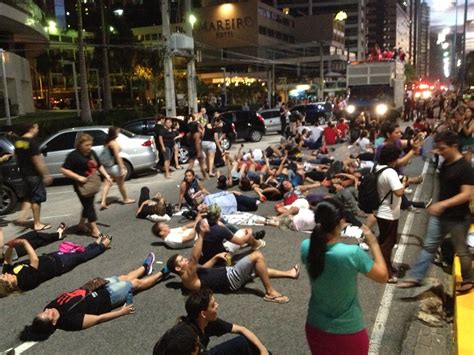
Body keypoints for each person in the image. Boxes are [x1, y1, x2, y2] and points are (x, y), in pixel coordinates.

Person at [300, 198, 388, 355]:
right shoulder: (351, 253)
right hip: (347, 331)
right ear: (341, 222)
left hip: (315, 326)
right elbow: (383, 276)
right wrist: (373, 243)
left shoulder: (306, 247)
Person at [19, 254, 165, 341]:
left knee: (123, 277)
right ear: (54, 322)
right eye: (48, 314)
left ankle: (146, 268)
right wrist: (121, 312)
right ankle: (162, 274)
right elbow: (98, 319)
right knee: (134, 284)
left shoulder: (49, 308)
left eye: (43, 312)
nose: (47, 310)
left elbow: (71, 295)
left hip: (92, 286)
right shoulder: (70, 322)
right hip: (108, 297)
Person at [398, 131, 474, 293]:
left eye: (443, 148)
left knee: (461, 251)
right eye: (438, 148)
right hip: (440, 216)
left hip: (458, 219)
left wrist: (443, 204)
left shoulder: (465, 168)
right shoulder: (446, 163)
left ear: (454, 146)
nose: (440, 152)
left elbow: (467, 194)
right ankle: (416, 277)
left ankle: (469, 278)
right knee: (428, 247)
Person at [167, 218, 299, 303]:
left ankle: (289, 274)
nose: (186, 260)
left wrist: (215, 257)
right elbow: (195, 258)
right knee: (256, 255)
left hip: (229, 274)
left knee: (258, 268)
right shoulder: (186, 277)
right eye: (182, 260)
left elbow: (204, 268)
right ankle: (270, 292)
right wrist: (201, 234)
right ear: (178, 268)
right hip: (231, 278)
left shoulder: (190, 275)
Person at [153, 288, 270, 355]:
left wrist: (262, 350)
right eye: (213, 305)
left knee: (244, 342)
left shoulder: (206, 321)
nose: (217, 306)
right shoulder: (189, 338)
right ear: (203, 313)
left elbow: (241, 329)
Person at [0, 234, 111, 297]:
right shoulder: (25, 282)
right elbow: (34, 261)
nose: (3, 274)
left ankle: (94, 244)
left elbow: (7, 260)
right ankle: (102, 246)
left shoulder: (8, 272)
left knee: (76, 252)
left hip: (51, 257)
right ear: (9, 285)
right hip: (60, 265)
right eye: (3, 277)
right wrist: (24, 243)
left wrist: (10, 246)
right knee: (82, 257)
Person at [61, 133, 113, 238]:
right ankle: (94, 230)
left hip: (91, 184)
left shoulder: (91, 153)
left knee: (87, 205)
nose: (89, 147)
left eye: (90, 144)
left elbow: (99, 165)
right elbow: (64, 170)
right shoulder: (74, 155)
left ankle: (81, 225)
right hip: (81, 186)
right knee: (89, 206)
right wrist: (78, 177)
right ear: (79, 144)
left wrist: (107, 176)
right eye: (86, 145)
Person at [374, 144, 408, 283]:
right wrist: (404, 183)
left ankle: (385, 267)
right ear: (393, 159)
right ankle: (386, 272)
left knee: (384, 241)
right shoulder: (390, 172)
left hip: (380, 210)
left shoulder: (377, 168)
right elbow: (399, 192)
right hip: (389, 212)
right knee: (388, 243)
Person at [14, 123, 53, 231]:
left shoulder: (18, 142)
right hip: (33, 174)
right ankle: (37, 223)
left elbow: (16, 156)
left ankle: (22, 218)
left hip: (24, 174)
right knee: (37, 198)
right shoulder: (32, 142)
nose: (37, 130)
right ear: (31, 129)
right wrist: (45, 175)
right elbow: (37, 161)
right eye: (36, 128)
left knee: (29, 196)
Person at [199, 204, 265, 264]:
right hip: (221, 257)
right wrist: (250, 232)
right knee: (244, 232)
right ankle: (257, 243)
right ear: (218, 215)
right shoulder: (220, 229)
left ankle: (252, 241)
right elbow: (240, 242)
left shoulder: (200, 225)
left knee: (227, 228)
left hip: (206, 257)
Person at [99, 127, 135, 210]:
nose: (119, 132)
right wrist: (122, 166)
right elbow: (117, 155)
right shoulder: (113, 143)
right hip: (114, 166)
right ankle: (126, 199)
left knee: (107, 183)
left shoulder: (107, 142)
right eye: (117, 132)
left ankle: (103, 202)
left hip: (106, 167)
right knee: (121, 184)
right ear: (114, 133)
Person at [0, 223, 67, 262]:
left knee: (33, 234)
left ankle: (57, 235)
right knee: (37, 242)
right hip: (11, 252)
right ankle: (58, 234)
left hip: (8, 245)